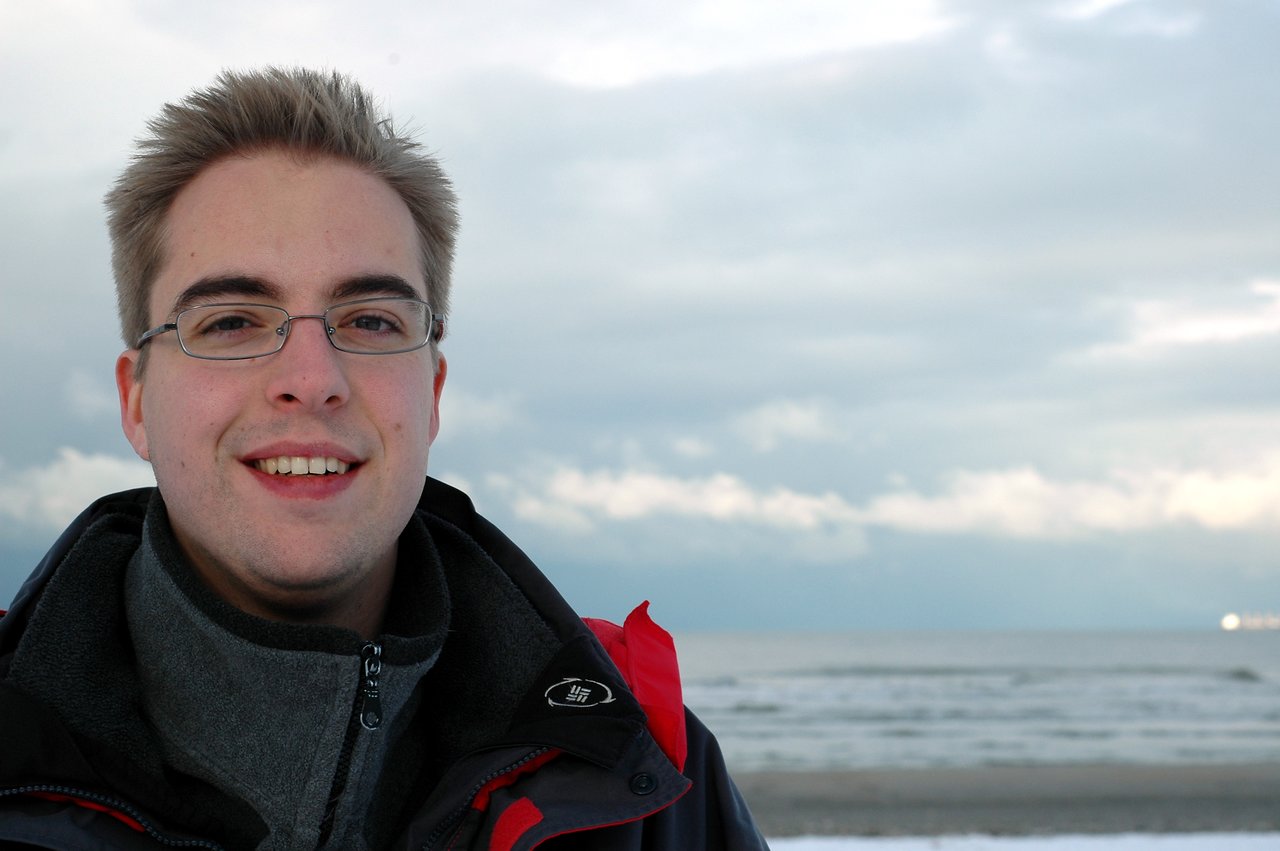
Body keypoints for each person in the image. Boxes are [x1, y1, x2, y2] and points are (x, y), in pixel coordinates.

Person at [0, 68, 769, 850]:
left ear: (431, 392)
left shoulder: (639, 764)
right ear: (138, 400)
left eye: (368, 319)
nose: (309, 380)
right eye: (231, 320)